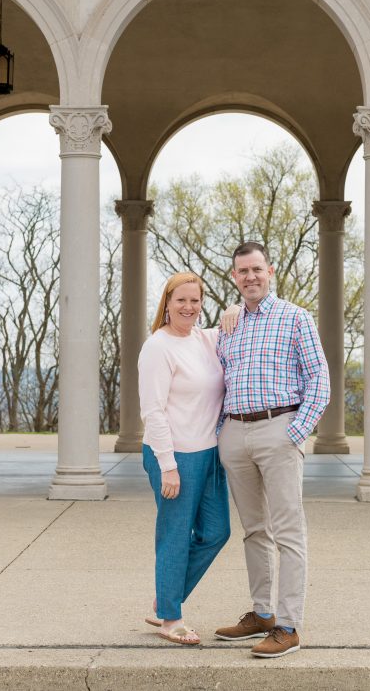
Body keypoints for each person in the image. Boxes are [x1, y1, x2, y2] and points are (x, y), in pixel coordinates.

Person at [214, 241, 330, 658]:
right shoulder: (228, 325)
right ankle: (262, 614)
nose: (250, 277)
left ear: (271, 270)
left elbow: (320, 379)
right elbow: (216, 379)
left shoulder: (295, 318)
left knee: (288, 531)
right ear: (234, 277)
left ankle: (288, 625)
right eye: (242, 271)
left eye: (257, 269)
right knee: (255, 531)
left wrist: (295, 433)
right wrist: (220, 433)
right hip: (235, 434)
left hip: (279, 427)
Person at [139, 272, 231, 645]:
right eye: (181, 300)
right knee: (175, 537)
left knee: (216, 532)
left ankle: (165, 597)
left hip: (209, 454)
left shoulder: (203, 339)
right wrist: (168, 465)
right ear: (167, 302)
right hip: (173, 455)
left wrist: (235, 307)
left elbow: (235, 317)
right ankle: (170, 620)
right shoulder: (158, 347)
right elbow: (153, 411)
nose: (189, 307)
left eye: (195, 300)